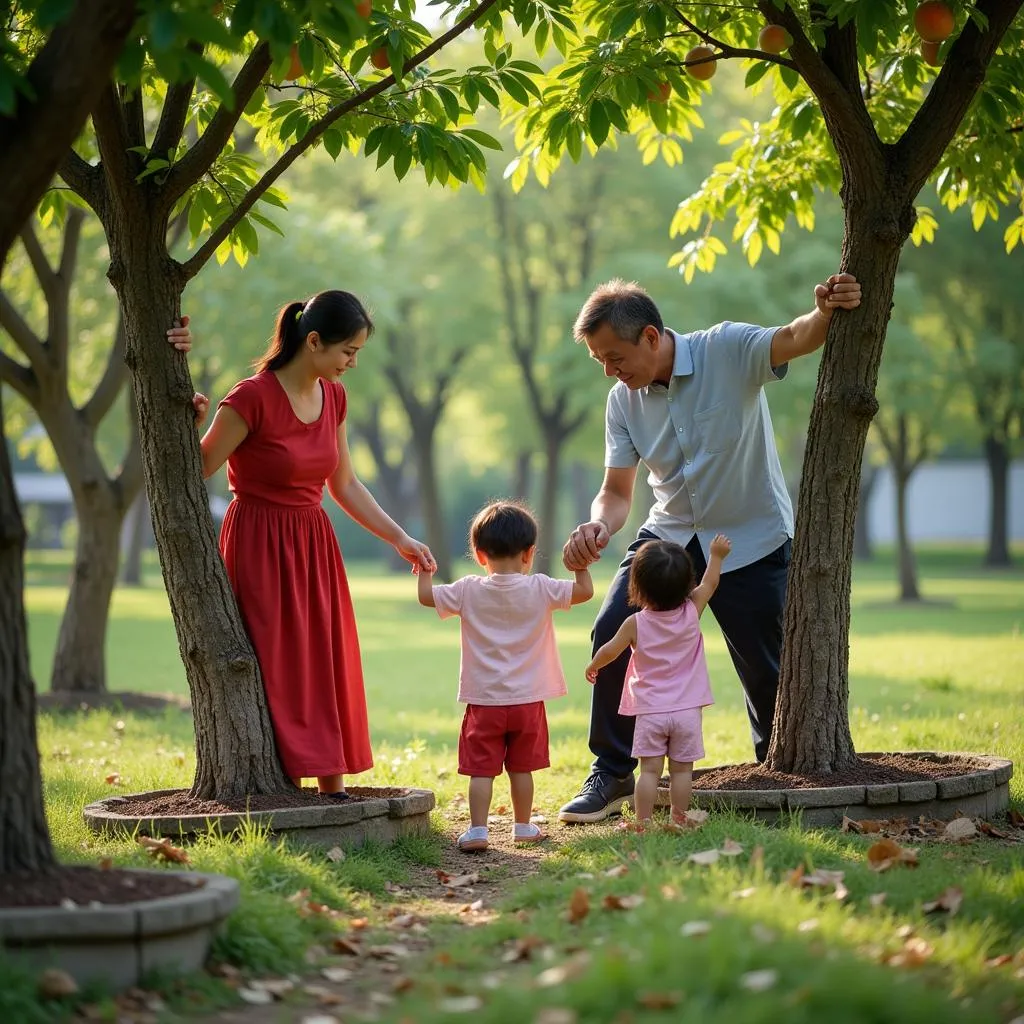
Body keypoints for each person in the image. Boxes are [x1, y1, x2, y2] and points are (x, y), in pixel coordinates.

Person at [559, 273, 862, 823]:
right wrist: (597, 527)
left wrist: (822, 312)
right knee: (612, 628)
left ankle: (778, 770)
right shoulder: (622, 401)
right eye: (600, 360)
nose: (608, 370)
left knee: (769, 666)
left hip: (750, 535)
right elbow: (616, 491)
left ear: (651, 336)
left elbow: (795, 337)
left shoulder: (725, 349)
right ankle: (612, 769)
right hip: (669, 536)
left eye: (614, 356)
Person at [184, 290, 436, 798]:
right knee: (278, 661)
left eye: (358, 353)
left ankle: (332, 781)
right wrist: (187, 424)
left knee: (322, 659)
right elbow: (197, 468)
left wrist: (400, 538)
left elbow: (344, 485)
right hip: (257, 542)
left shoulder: (335, 398)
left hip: (312, 544)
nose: (352, 363)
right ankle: (284, 780)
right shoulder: (250, 398)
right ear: (314, 341)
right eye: (348, 352)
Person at [417, 501, 594, 852]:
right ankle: (523, 826)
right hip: (528, 702)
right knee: (521, 769)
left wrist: (424, 570)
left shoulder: (467, 590)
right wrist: (581, 566)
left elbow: (426, 597)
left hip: (484, 702)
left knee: (481, 771)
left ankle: (478, 831)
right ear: (529, 554)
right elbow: (584, 592)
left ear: (480, 555)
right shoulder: (541, 588)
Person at [585, 535, 731, 828]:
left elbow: (610, 650)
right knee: (681, 773)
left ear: (637, 586)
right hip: (687, 711)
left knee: (649, 772)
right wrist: (716, 556)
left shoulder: (635, 623)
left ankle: (643, 821)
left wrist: (594, 666)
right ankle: (678, 819)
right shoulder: (692, 612)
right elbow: (711, 584)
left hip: (650, 710)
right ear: (686, 583)